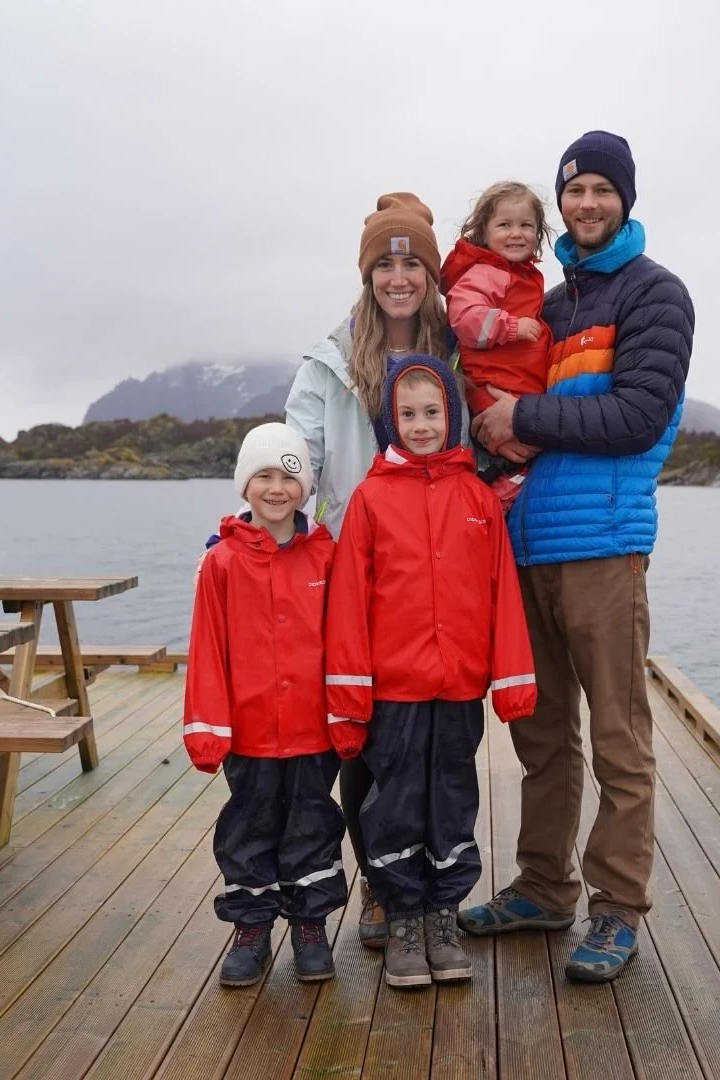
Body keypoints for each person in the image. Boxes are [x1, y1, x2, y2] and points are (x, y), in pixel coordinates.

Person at [460, 131, 695, 984]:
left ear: (624, 199)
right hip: (527, 548)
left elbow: (636, 417)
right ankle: (543, 887)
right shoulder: (551, 306)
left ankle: (617, 908)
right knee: (543, 735)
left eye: (602, 189)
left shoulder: (655, 294)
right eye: (575, 190)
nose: (587, 203)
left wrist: (521, 418)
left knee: (620, 739)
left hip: (604, 546)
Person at [323, 354, 536, 988]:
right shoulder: (370, 499)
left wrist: (513, 678)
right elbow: (348, 606)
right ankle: (403, 919)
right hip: (394, 691)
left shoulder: (478, 498)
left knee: (452, 797)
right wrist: (348, 698)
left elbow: (503, 595)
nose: (421, 425)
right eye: (408, 414)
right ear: (391, 419)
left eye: (432, 412)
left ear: (452, 416)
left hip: (459, 688)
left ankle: (443, 913)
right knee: (395, 803)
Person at [282, 192, 450, 951]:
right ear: (367, 274)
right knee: (365, 731)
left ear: (430, 274)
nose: (398, 277)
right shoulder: (330, 360)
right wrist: (266, 526)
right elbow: (300, 453)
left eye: (411, 263)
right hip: (355, 564)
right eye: (384, 264)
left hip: (434, 570)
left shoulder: (456, 348)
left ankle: (432, 882)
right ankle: (380, 886)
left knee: (434, 740)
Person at [183, 423, 346, 987]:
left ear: (306, 489)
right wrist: (206, 725)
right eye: (265, 476)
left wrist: (347, 712)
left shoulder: (325, 556)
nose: (277, 489)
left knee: (311, 825)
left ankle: (309, 926)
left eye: (290, 478)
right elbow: (207, 649)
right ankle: (251, 929)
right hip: (249, 732)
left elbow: (344, 640)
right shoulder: (221, 562)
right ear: (244, 484)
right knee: (249, 828)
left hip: (313, 730)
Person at [439, 181, 554, 507]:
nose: (516, 233)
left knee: (521, 466)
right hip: (498, 387)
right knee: (509, 472)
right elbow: (464, 317)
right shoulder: (488, 271)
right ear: (484, 231)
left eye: (526, 225)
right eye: (504, 225)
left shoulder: (519, 275)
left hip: (517, 392)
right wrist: (511, 326)